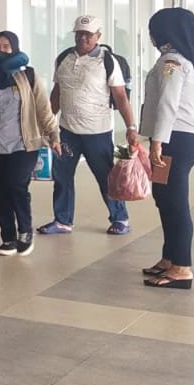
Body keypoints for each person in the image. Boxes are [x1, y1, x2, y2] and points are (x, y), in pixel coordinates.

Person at [41, 15, 141, 236]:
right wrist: (47, 124)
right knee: (62, 176)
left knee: (105, 177)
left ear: (98, 36)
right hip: (67, 132)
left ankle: (120, 218)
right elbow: (57, 94)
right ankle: (62, 220)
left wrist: (131, 128)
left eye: (88, 34)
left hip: (98, 132)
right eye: (79, 33)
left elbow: (121, 97)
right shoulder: (64, 58)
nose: (83, 38)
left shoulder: (107, 61)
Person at [140, 8, 194, 290]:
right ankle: (169, 258)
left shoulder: (172, 62)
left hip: (176, 140)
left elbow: (168, 104)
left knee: (175, 203)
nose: (151, 36)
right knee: (164, 197)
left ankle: (182, 267)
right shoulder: (176, 59)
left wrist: (157, 142)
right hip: (176, 138)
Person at [0, 31, 58, 258]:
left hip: (23, 142)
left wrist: (54, 135)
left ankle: (25, 231)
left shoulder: (27, 74)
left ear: (15, 49)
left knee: (16, 185)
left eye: (6, 46)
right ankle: (8, 237)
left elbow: (43, 108)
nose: (0, 50)